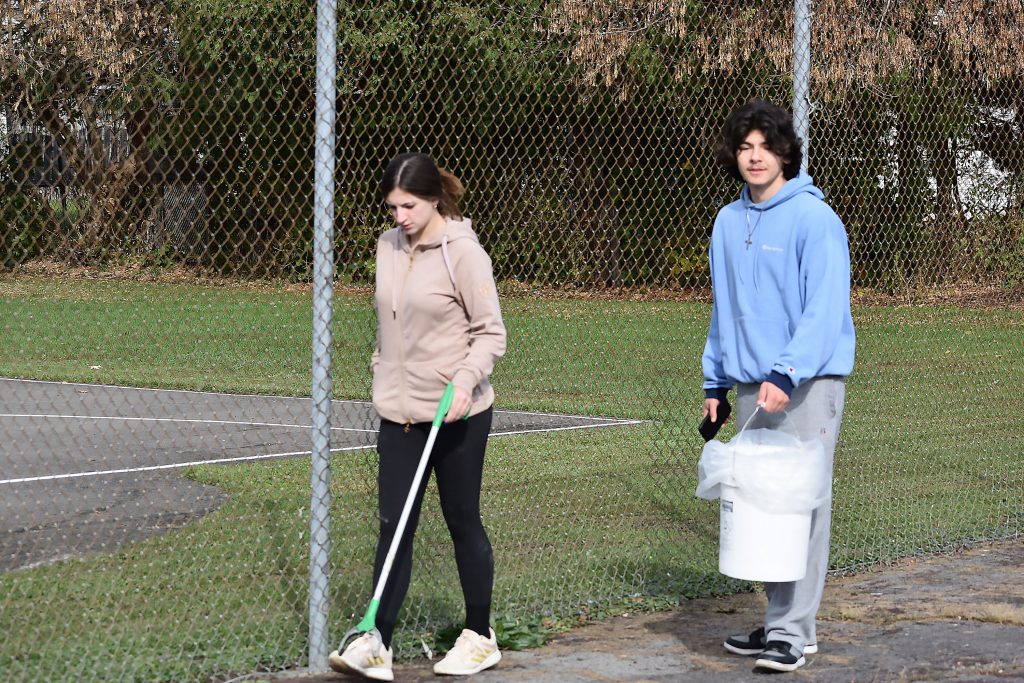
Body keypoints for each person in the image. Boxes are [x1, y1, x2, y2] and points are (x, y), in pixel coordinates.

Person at [329, 152, 506, 680]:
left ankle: (480, 635)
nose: (400, 216)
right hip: (400, 413)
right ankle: (376, 640)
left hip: (458, 413)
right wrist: (382, 370)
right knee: (394, 523)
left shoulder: (464, 253)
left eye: (409, 205)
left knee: (461, 520)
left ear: (434, 199)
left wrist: (466, 381)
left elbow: (491, 332)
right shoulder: (387, 246)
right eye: (392, 206)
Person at [700, 100, 856, 673]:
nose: (755, 157)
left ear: (786, 152)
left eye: (766, 146)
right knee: (763, 499)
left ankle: (795, 630)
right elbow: (726, 311)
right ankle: (779, 623)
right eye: (745, 148)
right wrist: (715, 379)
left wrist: (787, 372)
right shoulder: (725, 221)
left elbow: (824, 309)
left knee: (802, 500)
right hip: (750, 382)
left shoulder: (816, 220)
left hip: (807, 380)